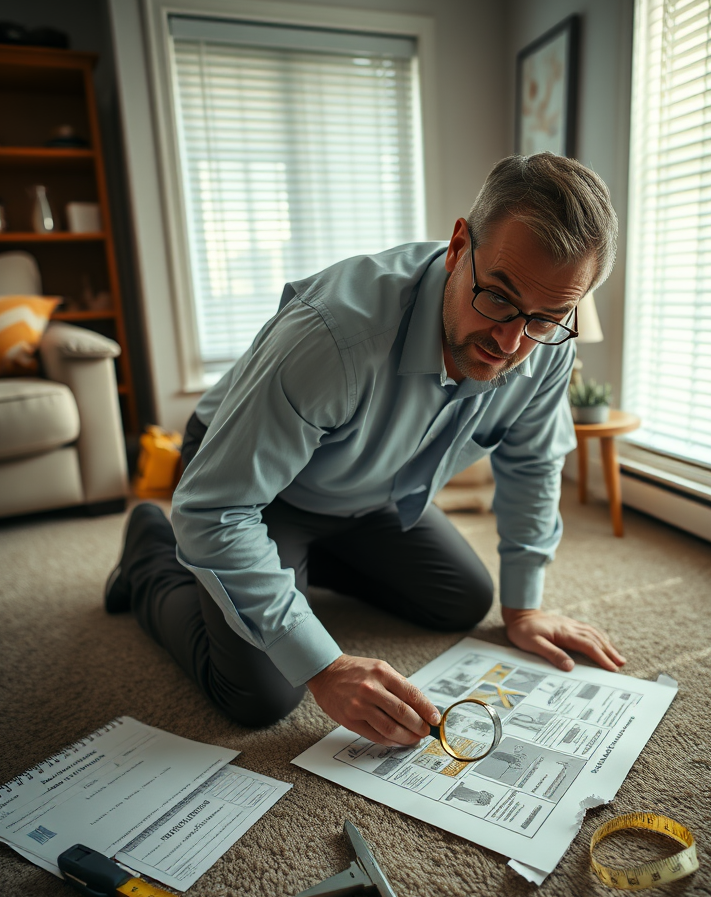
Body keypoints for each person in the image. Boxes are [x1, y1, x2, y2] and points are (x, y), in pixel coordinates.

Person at [106, 152, 626, 748]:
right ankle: (151, 550)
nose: (510, 342)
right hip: (256, 485)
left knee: (463, 601)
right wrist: (324, 665)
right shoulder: (333, 337)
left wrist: (525, 609)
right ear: (459, 247)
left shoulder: (547, 341)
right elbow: (214, 510)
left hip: (374, 489)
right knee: (263, 692)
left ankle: (293, 564)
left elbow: (532, 462)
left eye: (547, 316)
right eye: (499, 299)